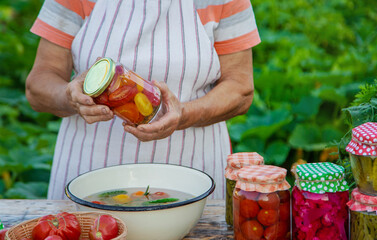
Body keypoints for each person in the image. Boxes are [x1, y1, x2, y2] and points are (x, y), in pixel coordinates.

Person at [26, 0, 261, 199]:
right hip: (88, 178)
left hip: (193, 179)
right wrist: (69, 97)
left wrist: (185, 115)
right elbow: (38, 84)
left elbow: (240, 89)